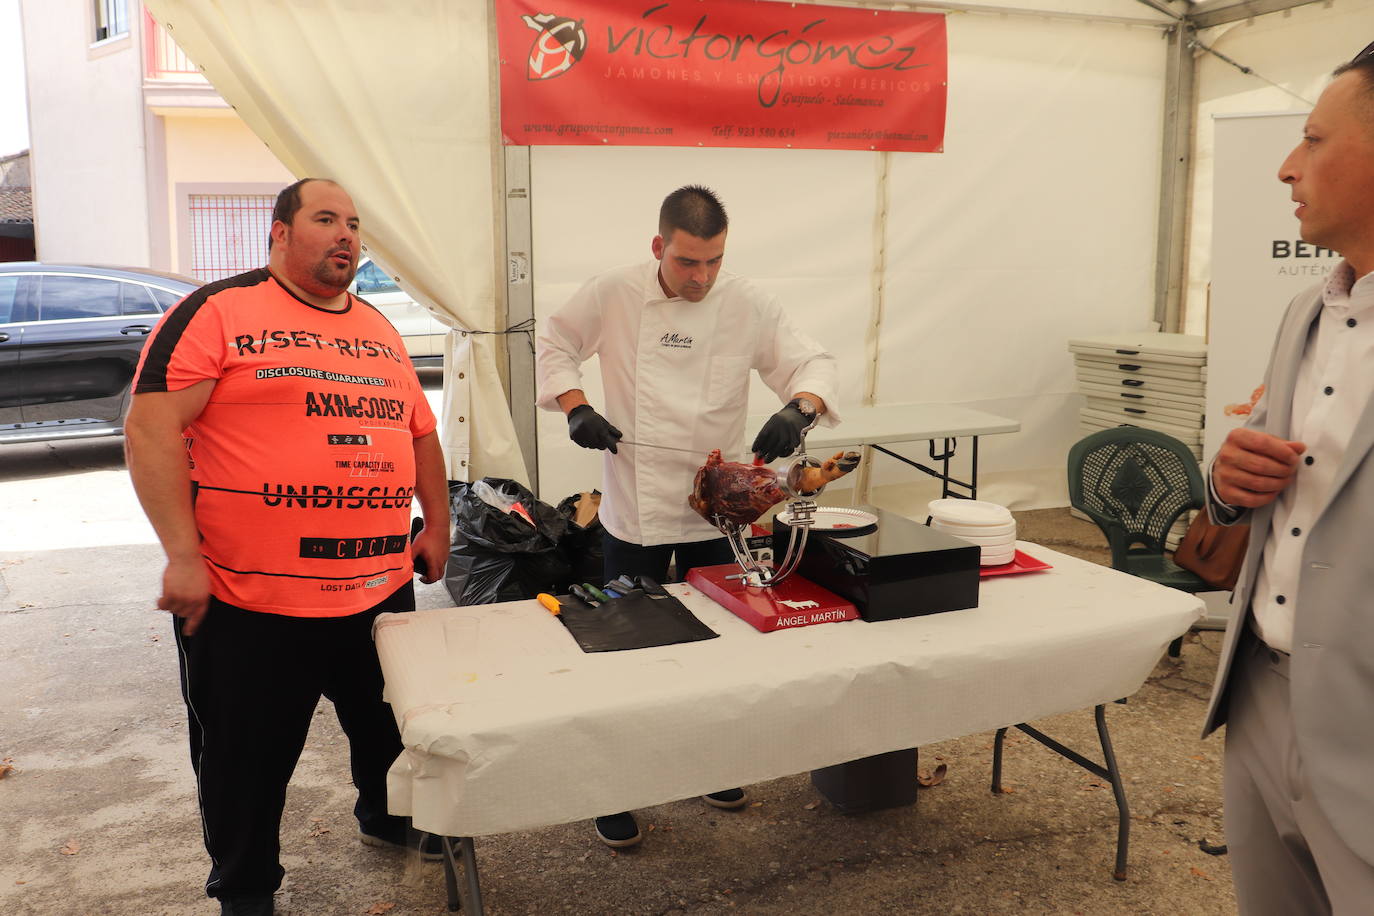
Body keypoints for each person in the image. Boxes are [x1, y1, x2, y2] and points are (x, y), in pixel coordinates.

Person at [125, 178, 451, 916]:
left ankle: (386, 815)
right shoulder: (218, 312)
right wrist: (182, 554)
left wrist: (441, 523)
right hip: (251, 601)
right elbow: (150, 428)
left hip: (376, 588)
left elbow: (419, 433)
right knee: (244, 759)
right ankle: (244, 887)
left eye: (356, 224)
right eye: (326, 219)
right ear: (278, 233)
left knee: (388, 725)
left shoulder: (378, 328)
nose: (347, 235)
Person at [535, 184, 839, 849]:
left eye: (713, 262)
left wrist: (801, 408)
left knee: (722, 644)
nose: (700, 278)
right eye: (686, 263)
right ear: (659, 247)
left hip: (717, 507)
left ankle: (713, 762)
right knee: (627, 647)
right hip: (634, 506)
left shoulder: (750, 303)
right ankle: (615, 787)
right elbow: (555, 343)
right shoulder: (613, 291)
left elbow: (809, 359)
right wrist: (577, 405)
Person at [1202, 44, 1374, 915]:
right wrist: (1229, 482)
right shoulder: (1306, 308)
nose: (1285, 167)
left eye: (1312, 139)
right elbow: (1260, 497)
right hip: (1261, 698)